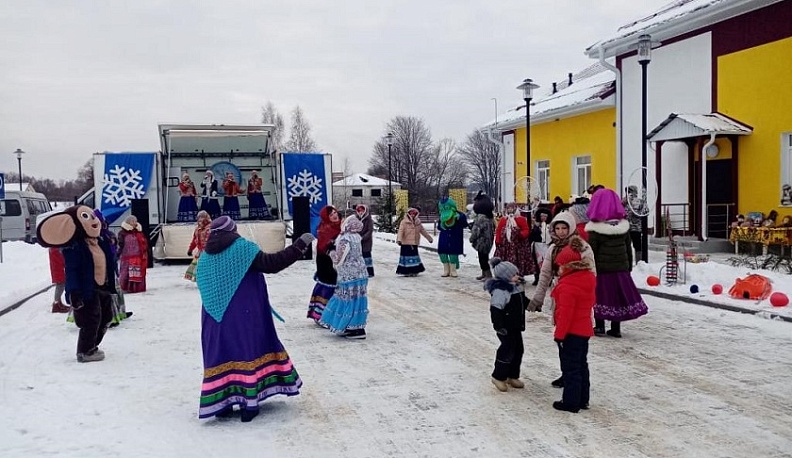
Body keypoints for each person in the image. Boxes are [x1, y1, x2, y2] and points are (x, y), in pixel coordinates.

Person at [196, 216, 314, 422]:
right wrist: (299, 246)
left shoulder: (205, 256)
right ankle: (248, 405)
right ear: (232, 230)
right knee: (246, 352)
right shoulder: (241, 247)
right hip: (243, 313)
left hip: (213, 318)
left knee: (221, 354)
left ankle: (222, 404)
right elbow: (271, 264)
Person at [36, 205, 117, 362]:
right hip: (87, 288)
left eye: (92, 216)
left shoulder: (99, 241)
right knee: (92, 319)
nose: (93, 220)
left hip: (103, 286)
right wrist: (73, 292)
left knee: (107, 317)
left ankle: (92, 345)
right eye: (86, 218)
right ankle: (84, 351)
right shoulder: (75, 247)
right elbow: (71, 270)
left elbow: (109, 260)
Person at [528, 212, 595, 388]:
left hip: (578, 297)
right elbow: (545, 275)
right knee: (563, 337)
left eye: (564, 228)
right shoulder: (553, 248)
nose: (561, 232)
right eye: (557, 228)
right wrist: (538, 298)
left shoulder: (582, 247)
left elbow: (591, 273)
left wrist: (586, 296)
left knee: (575, 342)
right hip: (562, 296)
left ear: (571, 227)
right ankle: (567, 373)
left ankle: (575, 378)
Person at [586, 188, 649, 338]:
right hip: (620, 269)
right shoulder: (623, 226)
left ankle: (600, 326)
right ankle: (616, 328)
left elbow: (591, 252)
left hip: (601, 270)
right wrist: (628, 266)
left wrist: (588, 269)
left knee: (600, 297)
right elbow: (628, 248)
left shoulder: (595, 229)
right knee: (617, 298)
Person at [550, 234, 596, 413]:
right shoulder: (588, 279)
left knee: (570, 369)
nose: (559, 269)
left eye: (561, 266)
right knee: (581, 365)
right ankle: (583, 399)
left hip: (571, 333)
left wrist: (559, 336)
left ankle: (570, 402)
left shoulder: (568, 286)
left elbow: (565, 316)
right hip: (584, 330)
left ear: (569, 266)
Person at [318, 215, 370, 339]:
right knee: (358, 300)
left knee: (347, 300)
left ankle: (352, 328)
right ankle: (356, 326)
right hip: (361, 273)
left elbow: (339, 260)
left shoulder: (345, 239)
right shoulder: (357, 237)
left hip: (349, 276)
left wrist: (330, 252)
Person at [485, 257, 526, 392]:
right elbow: (495, 309)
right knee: (507, 349)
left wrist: (532, 304)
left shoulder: (517, 287)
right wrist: (498, 326)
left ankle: (512, 375)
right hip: (505, 327)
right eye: (513, 274)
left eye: (516, 273)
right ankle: (498, 376)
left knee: (518, 349)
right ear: (505, 276)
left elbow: (522, 301)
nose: (517, 276)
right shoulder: (501, 291)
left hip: (515, 325)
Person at [307, 206, 341, 323]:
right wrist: (331, 251)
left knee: (338, 288)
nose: (335, 216)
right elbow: (323, 246)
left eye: (335, 213)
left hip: (339, 263)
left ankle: (334, 314)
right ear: (326, 217)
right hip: (326, 263)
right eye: (331, 215)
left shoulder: (342, 226)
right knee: (328, 287)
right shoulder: (325, 229)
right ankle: (321, 314)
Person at [494, 203, 534, 277]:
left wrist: (520, 235)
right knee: (506, 260)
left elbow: (526, 229)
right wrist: (498, 240)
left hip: (518, 245)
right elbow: (498, 230)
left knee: (519, 260)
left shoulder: (521, 219)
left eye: (511, 208)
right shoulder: (503, 219)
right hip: (505, 246)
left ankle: (518, 275)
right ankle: (507, 275)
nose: (510, 210)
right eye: (508, 208)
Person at [396, 207, 433, 276]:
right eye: (411, 213)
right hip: (405, 243)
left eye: (414, 213)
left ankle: (414, 270)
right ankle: (406, 271)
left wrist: (429, 238)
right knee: (406, 258)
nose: (412, 215)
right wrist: (399, 240)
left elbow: (423, 231)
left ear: (416, 214)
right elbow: (400, 231)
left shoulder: (418, 222)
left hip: (414, 243)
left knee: (414, 258)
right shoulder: (404, 222)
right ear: (408, 214)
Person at [437, 197, 468, 278]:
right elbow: (439, 227)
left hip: (455, 237)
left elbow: (465, 224)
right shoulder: (442, 216)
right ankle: (446, 269)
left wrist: (459, 218)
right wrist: (441, 226)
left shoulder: (460, 215)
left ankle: (453, 270)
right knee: (442, 253)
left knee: (453, 253)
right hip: (444, 237)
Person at [117, 215, 148, 293]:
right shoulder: (122, 233)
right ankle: (126, 288)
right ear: (128, 222)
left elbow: (144, 244)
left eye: (135, 221)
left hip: (138, 257)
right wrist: (117, 254)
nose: (134, 223)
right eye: (132, 221)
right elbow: (120, 245)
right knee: (125, 274)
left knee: (138, 274)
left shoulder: (139, 232)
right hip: (126, 258)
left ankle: (137, 289)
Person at [469, 191, 495, 280]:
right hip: (488, 241)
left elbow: (476, 231)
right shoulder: (490, 217)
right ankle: (484, 273)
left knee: (482, 259)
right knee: (484, 257)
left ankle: (488, 274)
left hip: (482, 242)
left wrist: (471, 239)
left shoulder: (480, 218)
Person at [185, 210, 212, 282]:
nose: (200, 220)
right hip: (200, 252)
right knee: (198, 266)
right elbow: (194, 240)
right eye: (199, 218)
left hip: (209, 252)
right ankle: (201, 279)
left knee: (206, 266)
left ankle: (207, 279)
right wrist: (190, 249)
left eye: (202, 218)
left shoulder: (210, 228)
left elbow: (213, 240)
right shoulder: (197, 229)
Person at [530, 207, 552, 286]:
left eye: (545, 216)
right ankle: (537, 278)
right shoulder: (536, 226)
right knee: (537, 262)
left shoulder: (550, 226)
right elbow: (532, 236)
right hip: (537, 245)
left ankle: (548, 279)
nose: (543, 218)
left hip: (547, 245)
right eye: (542, 216)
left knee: (547, 263)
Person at [623, 185, 645, 262]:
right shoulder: (624, 201)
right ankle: (628, 262)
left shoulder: (640, 201)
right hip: (626, 227)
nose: (628, 194)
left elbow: (644, 213)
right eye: (627, 192)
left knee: (637, 246)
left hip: (635, 227)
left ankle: (639, 262)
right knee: (626, 246)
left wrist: (635, 211)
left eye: (629, 191)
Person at [356, 204, 375, 277]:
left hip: (366, 242)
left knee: (367, 256)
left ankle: (369, 272)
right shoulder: (356, 218)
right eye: (359, 210)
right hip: (357, 241)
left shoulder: (368, 219)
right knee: (359, 257)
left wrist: (363, 237)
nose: (360, 212)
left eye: (362, 210)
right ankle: (361, 271)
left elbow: (370, 230)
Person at [48, 247, 70, 313]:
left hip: (57, 269)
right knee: (60, 285)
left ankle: (58, 303)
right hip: (59, 269)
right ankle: (56, 304)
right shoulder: (56, 249)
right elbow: (61, 259)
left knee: (60, 285)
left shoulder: (53, 248)